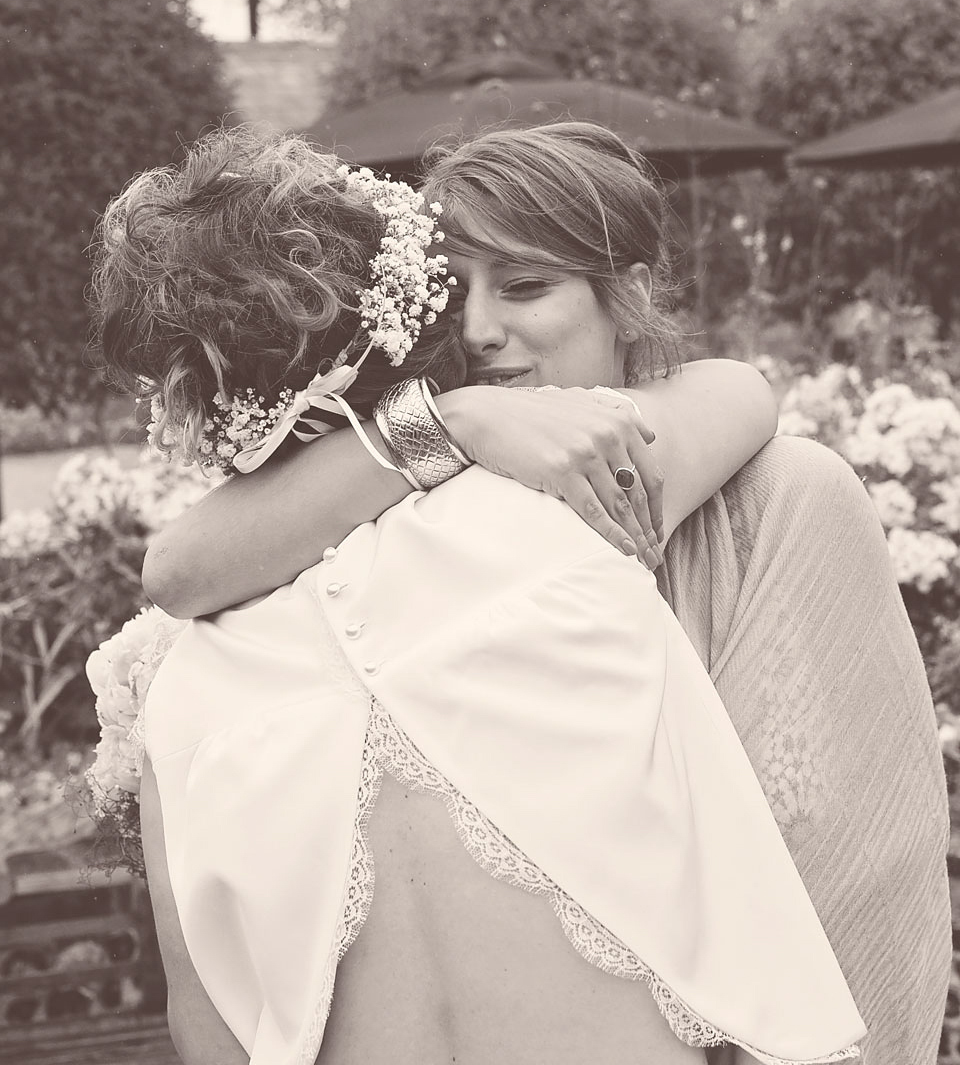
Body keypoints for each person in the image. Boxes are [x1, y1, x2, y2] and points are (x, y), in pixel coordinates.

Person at [136, 122, 953, 1065]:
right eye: (456, 296)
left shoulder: (774, 496)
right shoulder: (395, 494)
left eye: (525, 286)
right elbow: (180, 568)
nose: (480, 331)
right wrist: (453, 420)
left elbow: (845, 852)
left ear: (630, 296)